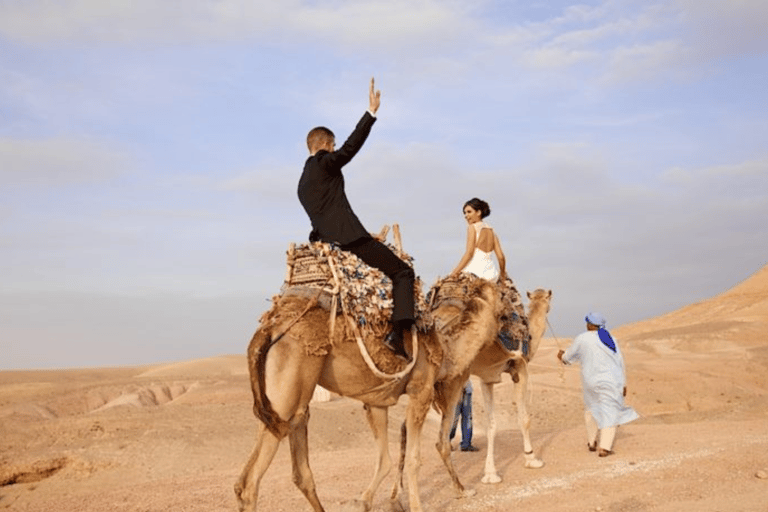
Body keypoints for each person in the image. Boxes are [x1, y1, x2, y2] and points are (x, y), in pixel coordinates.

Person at [297, 78, 414, 360]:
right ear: (325, 144)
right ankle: (398, 336)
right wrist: (370, 114)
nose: (336, 149)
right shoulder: (324, 162)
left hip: (325, 238)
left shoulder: (303, 180)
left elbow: (332, 211)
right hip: (347, 240)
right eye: (333, 145)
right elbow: (350, 148)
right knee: (403, 272)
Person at [557, 312, 639, 457]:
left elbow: (568, 357)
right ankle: (604, 448)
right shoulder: (611, 339)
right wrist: (623, 384)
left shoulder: (582, 338)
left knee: (591, 409)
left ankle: (591, 442)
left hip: (590, 382)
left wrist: (562, 356)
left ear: (589, 324)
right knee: (610, 411)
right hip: (611, 381)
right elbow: (620, 363)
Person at [449, 198, 507, 282]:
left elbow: (469, 254)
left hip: (475, 272)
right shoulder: (492, 232)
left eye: (469, 212)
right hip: (491, 275)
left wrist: (454, 273)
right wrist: (502, 276)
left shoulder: (472, 227)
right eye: (465, 213)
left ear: (479, 212)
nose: (466, 215)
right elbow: (501, 257)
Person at [450, 380, 479, 452]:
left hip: (467, 390)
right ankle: (446, 441)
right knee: (454, 418)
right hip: (454, 392)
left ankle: (466, 444)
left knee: (468, 417)